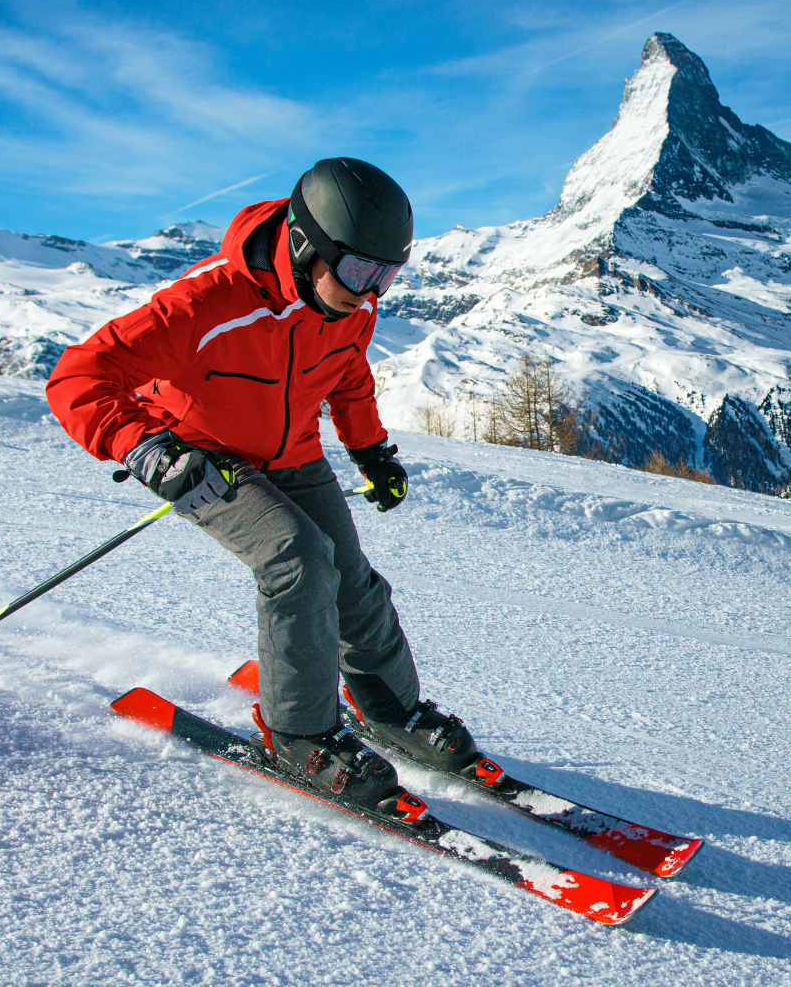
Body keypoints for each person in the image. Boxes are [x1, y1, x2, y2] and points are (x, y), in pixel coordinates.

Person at [46, 158, 478, 810]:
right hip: (203, 457)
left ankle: (393, 711)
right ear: (307, 247)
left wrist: (372, 453)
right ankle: (299, 736)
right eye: (361, 272)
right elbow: (76, 378)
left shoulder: (350, 308)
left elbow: (348, 379)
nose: (369, 294)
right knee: (297, 562)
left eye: (386, 277)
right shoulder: (208, 302)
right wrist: (147, 450)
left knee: (351, 577)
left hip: (291, 451)